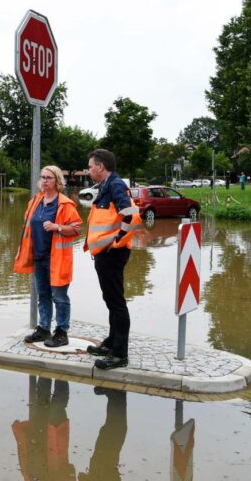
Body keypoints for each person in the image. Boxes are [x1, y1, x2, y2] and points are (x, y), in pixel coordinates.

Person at [84, 149, 142, 370]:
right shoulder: (106, 186)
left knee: (116, 302)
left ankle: (119, 354)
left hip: (112, 254)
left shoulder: (116, 185)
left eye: (90, 166)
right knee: (110, 299)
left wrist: (116, 242)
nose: (89, 170)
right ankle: (111, 342)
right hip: (105, 253)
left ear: (100, 166)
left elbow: (132, 216)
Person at [14, 165, 82, 347]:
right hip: (38, 256)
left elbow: (77, 228)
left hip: (57, 258)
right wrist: (22, 251)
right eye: (43, 177)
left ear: (57, 181)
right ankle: (44, 329)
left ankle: (61, 332)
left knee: (59, 297)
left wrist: (57, 227)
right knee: (43, 294)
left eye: (49, 178)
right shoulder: (35, 202)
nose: (44, 180)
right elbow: (27, 229)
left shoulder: (65, 204)